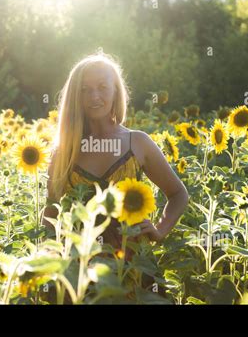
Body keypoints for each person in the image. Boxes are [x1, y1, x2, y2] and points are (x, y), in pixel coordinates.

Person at [42, 51, 189, 263]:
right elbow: (50, 215)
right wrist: (47, 262)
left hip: (133, 268)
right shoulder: (63, 152)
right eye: (85, 90)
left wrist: (160, 230)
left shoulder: (137, 143)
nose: (94, 96)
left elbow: (178, 194)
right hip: (80, 270)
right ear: (76, 96)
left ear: (116, 91)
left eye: (102, 87)